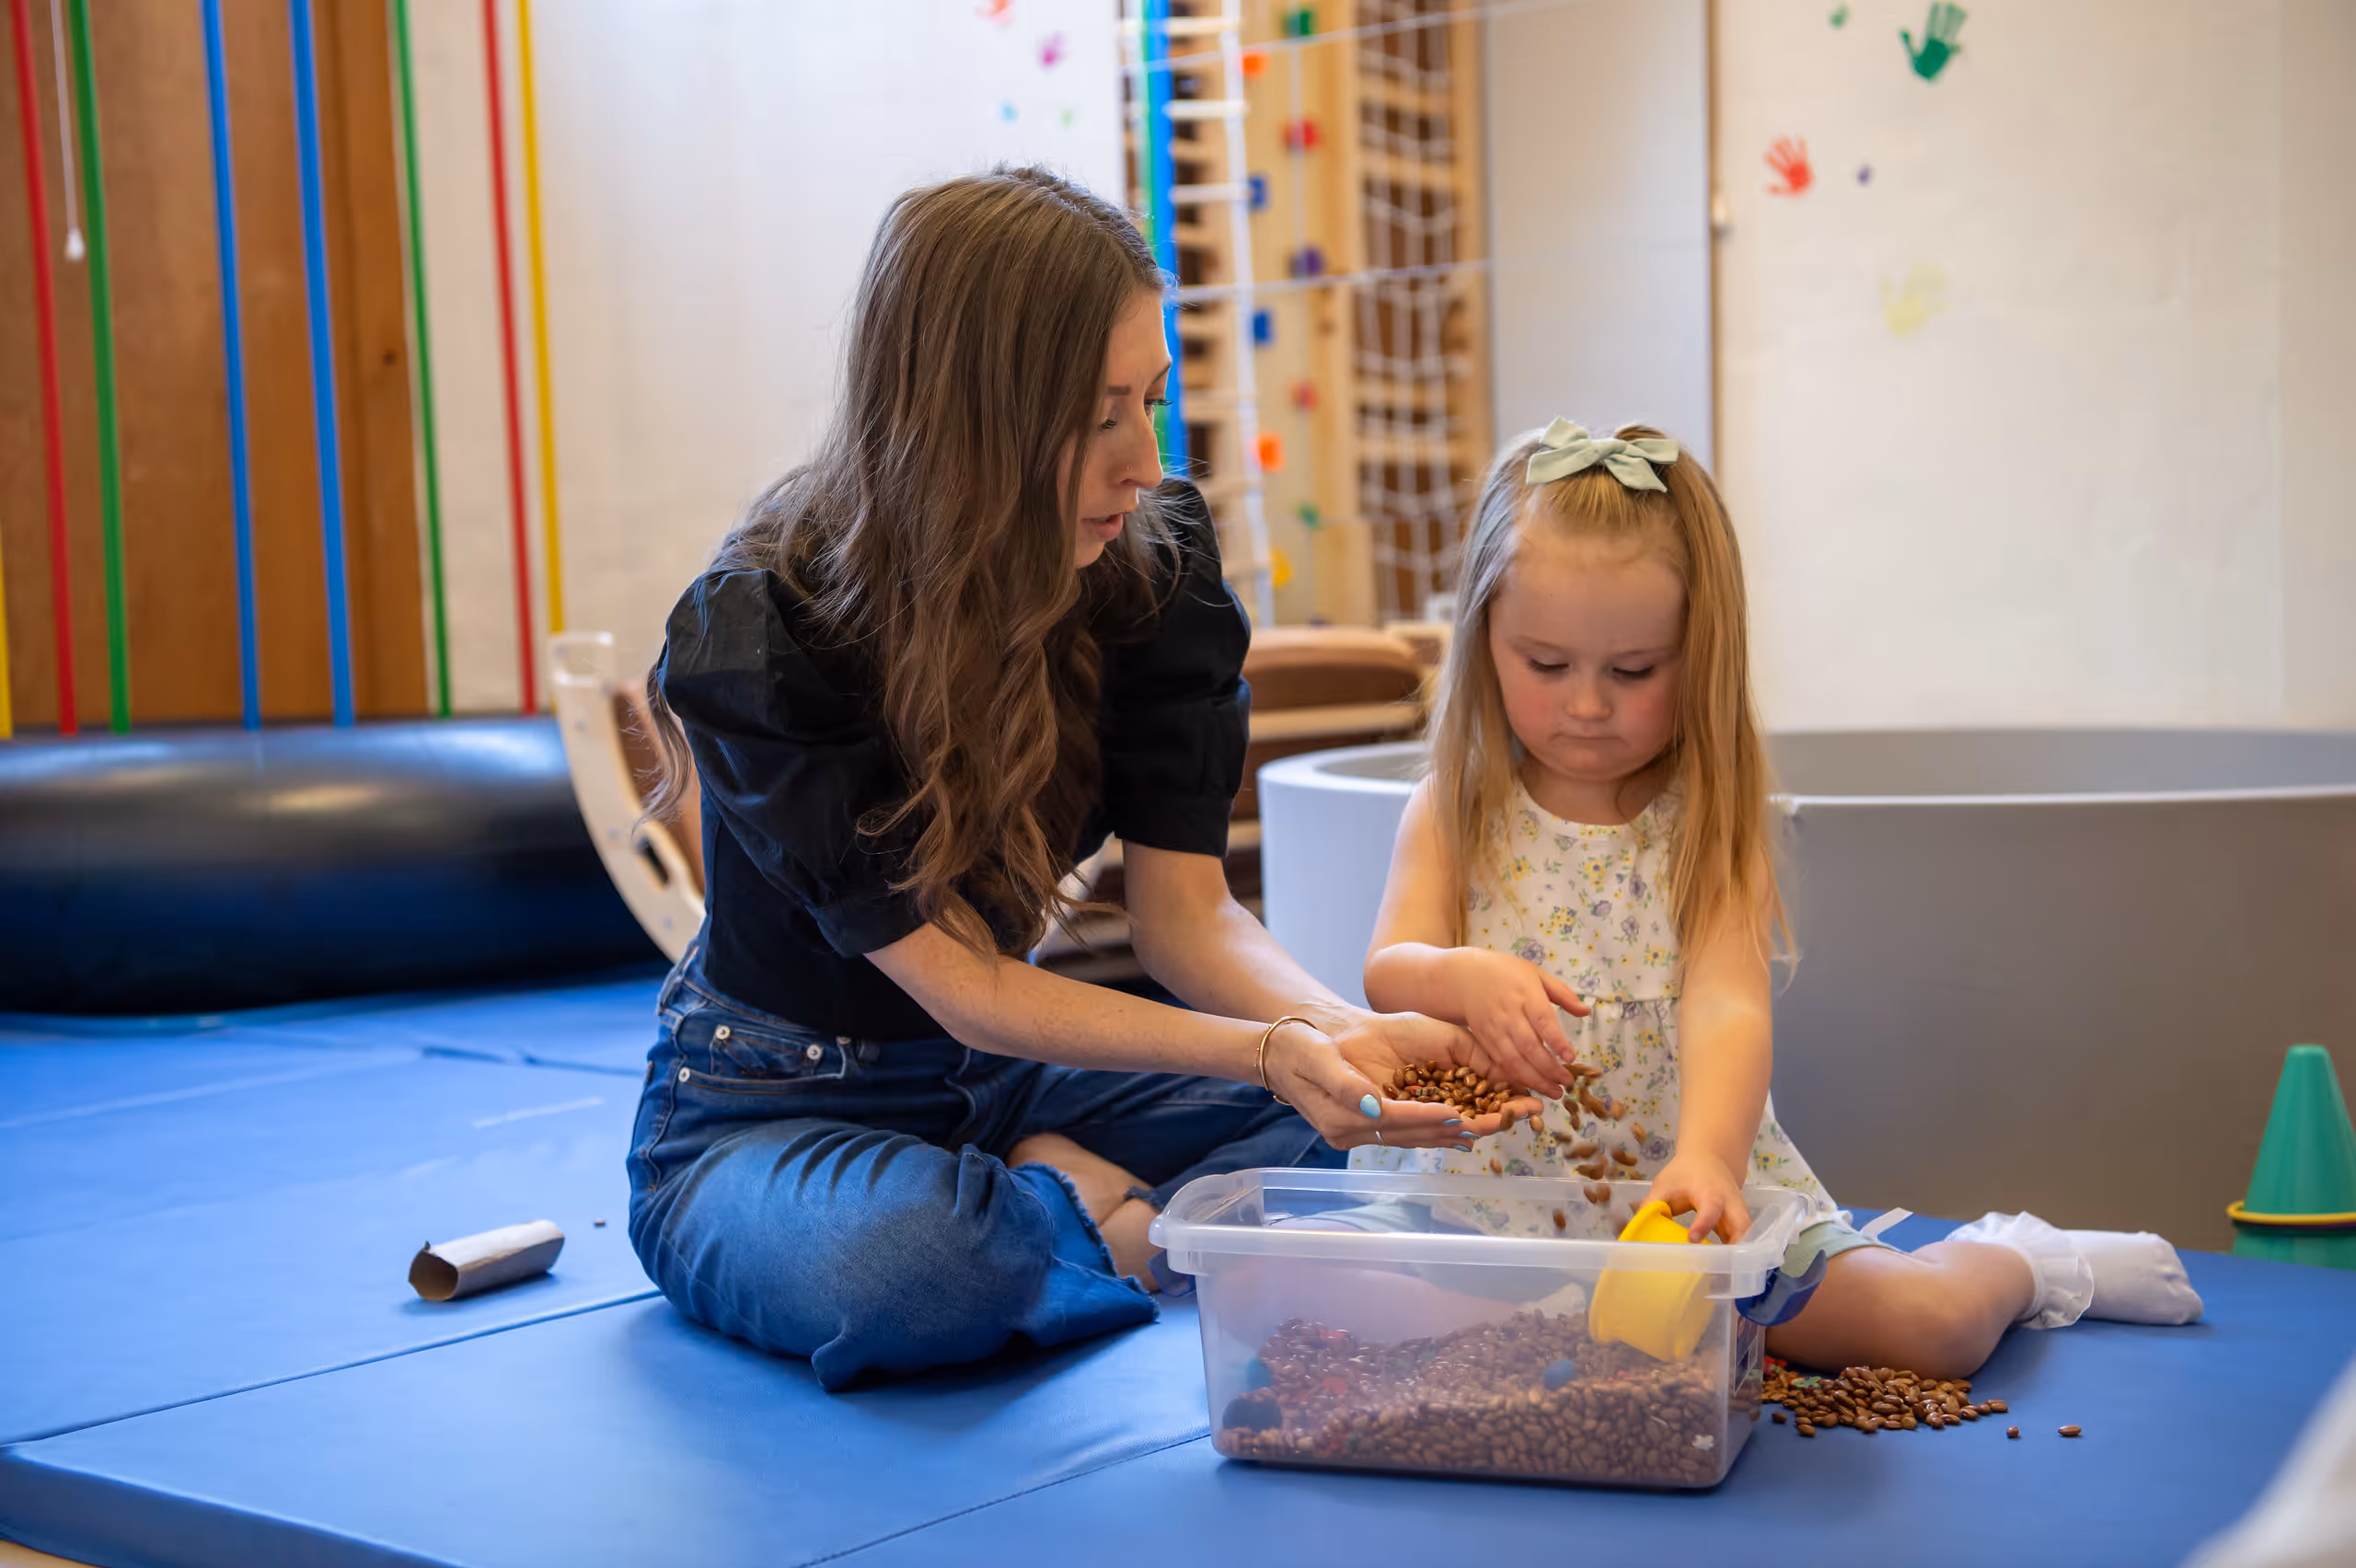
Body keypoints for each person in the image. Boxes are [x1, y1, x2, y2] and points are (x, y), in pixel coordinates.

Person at [624, 167, 1554, 1391]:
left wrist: (1344, 1038)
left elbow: (1188, 920)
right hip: (767, 1108)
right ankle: (1082, 1213)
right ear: (971, 419)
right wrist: (1269, 1050)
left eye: (1152, 401)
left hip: (1012, 1072)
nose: (1143, 458)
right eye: (1100, 413)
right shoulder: (768, 630)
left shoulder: (1149, 579)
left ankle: (1054, 1196)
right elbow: (962, 988)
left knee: (1383, 1154)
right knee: (917, 1270)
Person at [1354, 419, 2203, 1375]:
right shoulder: (1452, 809)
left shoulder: (1707, 822)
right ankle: (1565, 1319)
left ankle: (2016, 1260)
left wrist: (1709, 1162)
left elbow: (1726, 1004)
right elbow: (1390, 971)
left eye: (1633, 671)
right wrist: (1456, 976)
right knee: (1334, 1297)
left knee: (1926, 1332)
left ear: (1699, 653)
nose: (1586, 704)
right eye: (1544, 664)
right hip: (1483, 1207)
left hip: (1689, 1205)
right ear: (1482, 641)